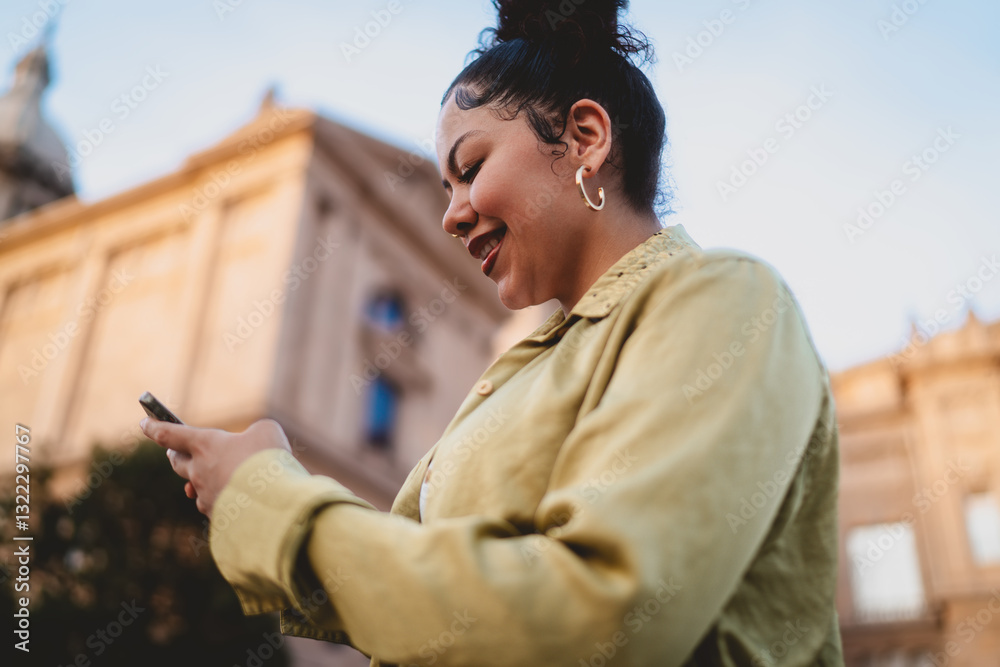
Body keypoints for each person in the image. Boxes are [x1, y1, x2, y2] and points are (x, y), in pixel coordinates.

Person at [139, 1, 845, 665]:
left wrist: (276, 502)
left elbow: (600, 614)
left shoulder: (726, 301)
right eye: (445, 187)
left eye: (470, 169)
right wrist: (263, 487)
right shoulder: (525, 369)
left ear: (585, 139)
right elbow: (438, 591)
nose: (450, 215)